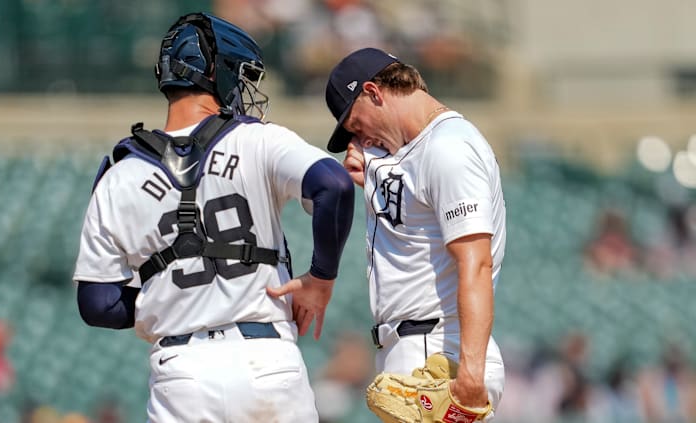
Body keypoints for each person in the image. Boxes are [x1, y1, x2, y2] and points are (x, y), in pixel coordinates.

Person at [73, 12, 355, 422]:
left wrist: (170, 297)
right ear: (215, 72)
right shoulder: (259, 139)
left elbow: (98, 304)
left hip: (182, 373)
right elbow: (335, 186)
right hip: (266, 361)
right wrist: (321, 279)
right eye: (240, 75)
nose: (243, 87)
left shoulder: (120, 176)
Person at [323, 48, 507, 419]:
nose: (360, 138)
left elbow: (476, 263)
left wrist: (470, 373)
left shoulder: (449, 148)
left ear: (374, 93)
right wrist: (370, 177)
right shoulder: (420, 150)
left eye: (357, 125)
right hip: (421, 347)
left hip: (438, 354)